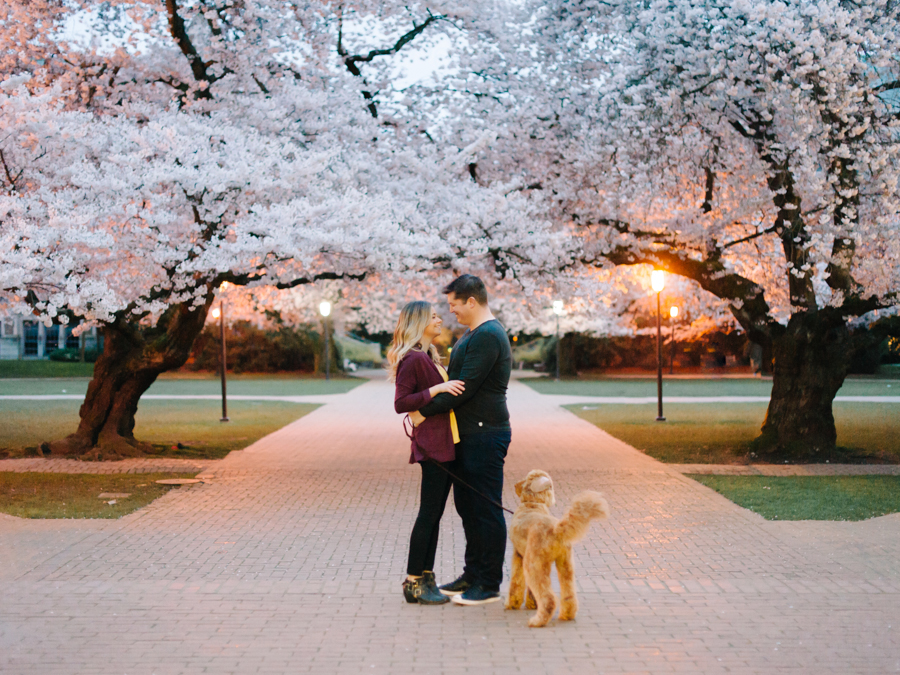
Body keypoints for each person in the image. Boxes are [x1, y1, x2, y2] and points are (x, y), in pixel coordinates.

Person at [410, 274, 512, 606]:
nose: (450, 310)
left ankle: (489, 583)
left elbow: (463, 386)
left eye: (454, 304)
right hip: (469, 434)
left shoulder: (488, 335)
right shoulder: (474, 334)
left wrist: (422, 411)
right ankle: (472, 573)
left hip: (486, 433)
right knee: (468, 507)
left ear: (471, 301)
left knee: (486, 508)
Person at [388, 301, 465, 605]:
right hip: (433, 445)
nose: (439, 319)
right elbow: (400, 402)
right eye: (432, 316)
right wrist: (437, 391)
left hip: (443, 443)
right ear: (418, 322)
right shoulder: (414, 359)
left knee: (434, 515)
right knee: (428, 514)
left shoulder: (427, 357)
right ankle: (413, 581)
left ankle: (426, 576)